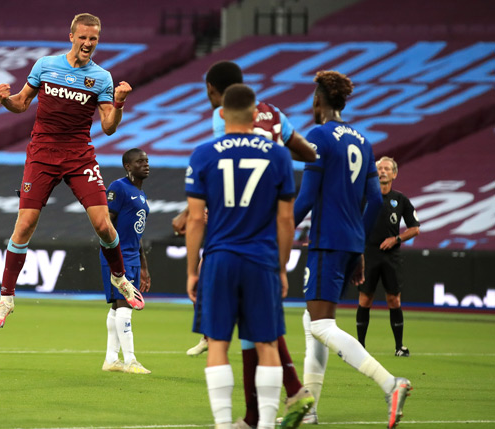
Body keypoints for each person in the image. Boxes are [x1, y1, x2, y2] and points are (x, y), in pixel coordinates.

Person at [180, 60, 315, 429]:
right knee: (268, 343)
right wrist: (282, 266)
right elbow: (287, 220)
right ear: (256, 113)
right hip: (262, 258)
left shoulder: (204, 153)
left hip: (220, 258)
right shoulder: (277, 156)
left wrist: (193, 271)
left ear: (221, 111)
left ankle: (225, 425)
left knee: (219, 343)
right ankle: (266, 423)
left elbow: (195, 218)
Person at [0, 13, 143, 330]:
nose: (88, 44)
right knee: (25, 223)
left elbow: (109, 128)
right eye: (83, 37)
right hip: (43, 152)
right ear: (71, 36)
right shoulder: (45, 65)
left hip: (79, 155)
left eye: (94, 39)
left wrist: (119, 104)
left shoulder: (101, 77)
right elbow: (20, 104)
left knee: (103, 225)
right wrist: (5, 99)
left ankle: (120, 278)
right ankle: (6, 298)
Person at [293, 70, 412, 428]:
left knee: (322, 324)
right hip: (350, 242)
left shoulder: (318, 135)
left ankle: (391, 384)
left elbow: (306, 197)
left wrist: (277, 228)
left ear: (318, 101)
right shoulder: (362, 140)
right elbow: (374, 199)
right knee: (312, 319)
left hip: (326, 242)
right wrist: (359, 245)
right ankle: (310, 409)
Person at [356, 156, 420, 356]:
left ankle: (399, 346)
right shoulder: (364, 196)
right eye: (379, 168)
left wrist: (396, 239)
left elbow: (415, 228)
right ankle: (360, 347)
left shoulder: (400, 199)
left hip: (391, 256)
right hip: (368, 253)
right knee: (365, 299)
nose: (382, 171)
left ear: (394, 174)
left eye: (386, 168)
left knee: (394, 300)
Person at [101, 148, 152, 374]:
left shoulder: (140, 194)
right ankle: (130, 360)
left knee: (117, 307)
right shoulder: (118, 187)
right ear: (128, 166)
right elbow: (105, 223)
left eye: (147, 161)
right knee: (125, 306)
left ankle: (111, 359)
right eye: (140, 161)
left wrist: (144, 267)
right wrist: (113, 254)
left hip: (132, 256)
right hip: (118, 255)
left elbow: (137, 235)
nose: (145, 164)